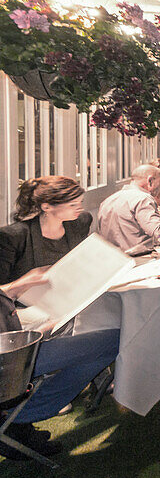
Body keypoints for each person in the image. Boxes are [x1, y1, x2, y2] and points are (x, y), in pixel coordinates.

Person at [0, 177, 119, 459]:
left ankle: (18, 419)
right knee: (112, 338)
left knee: (109, 329)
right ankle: (18, 417)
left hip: (67, 309)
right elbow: (4, 295)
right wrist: (24, 283)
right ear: (46, 207)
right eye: (73, 202)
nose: (80, 206)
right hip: (21, 334)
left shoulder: (79, 223)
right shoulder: (14, 237)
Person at [96, 165, 160, 252]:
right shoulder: (143, 198)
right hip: (138, 258)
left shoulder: (108, 200)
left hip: (113, 258)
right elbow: (159, 232)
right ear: (150, 181)